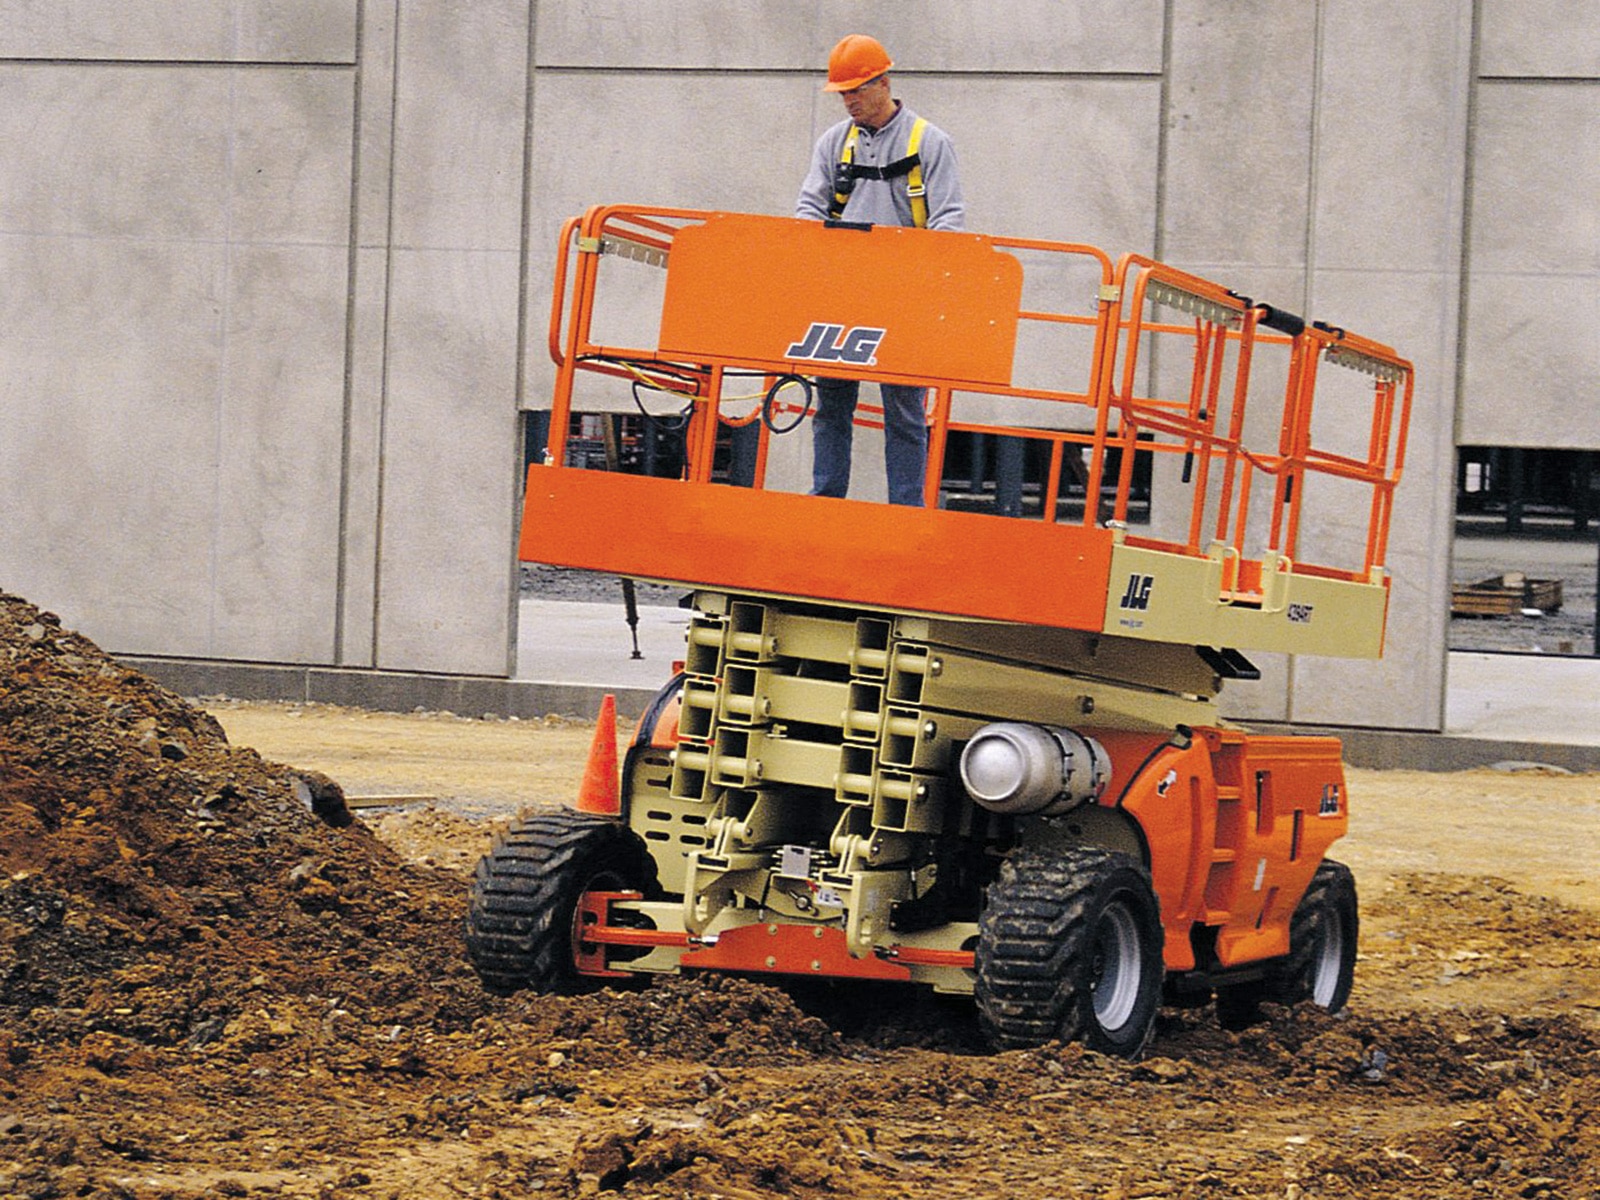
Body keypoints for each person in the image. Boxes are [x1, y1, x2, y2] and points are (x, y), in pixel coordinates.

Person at [795, 34, 966, 507]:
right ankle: (826, 500)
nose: (848, 101)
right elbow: (809, 207)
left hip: (905, 298)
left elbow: (949, 220)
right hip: (842, 293)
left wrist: (921, 278)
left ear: (883, 83)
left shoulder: (928, 142)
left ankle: (906, 512)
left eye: (856, 90)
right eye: (843, 93)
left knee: (906, 411)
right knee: (831, 404)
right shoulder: (835, 143)